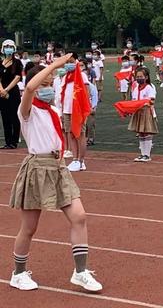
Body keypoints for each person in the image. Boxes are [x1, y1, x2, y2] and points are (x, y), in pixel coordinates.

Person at [9, 54, 102, 292]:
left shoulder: (52, 108)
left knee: (79, 217)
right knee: (29, 227)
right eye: (45, 85)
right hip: (37, 168)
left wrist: (57, 73)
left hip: (58, 167)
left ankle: (80, 272)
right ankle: (18, 273)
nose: (48, 88)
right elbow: (29, 86)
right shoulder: (26, 110)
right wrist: (54, 65)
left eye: (50, 84)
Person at [60, 53, 89, 172]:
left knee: (80, 135)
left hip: (78, 110)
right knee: (71, 134)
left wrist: (86, 108)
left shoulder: (81, 75)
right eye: (67, 62)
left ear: (76, 61)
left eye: (71, 62)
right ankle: (75, 159)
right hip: (67, 109)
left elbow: (85, 93)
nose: (68, 64)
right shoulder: (65, 77)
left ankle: (81, 161)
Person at [129, 67, 158, 162]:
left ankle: (147, 154)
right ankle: (142, 154)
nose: (139, 78)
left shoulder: (149, 87)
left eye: (141, 76)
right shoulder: (136, 88)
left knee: (146, 132)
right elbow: (133, 100)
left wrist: (143, 103)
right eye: (137, 76)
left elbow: (152, 101)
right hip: (138, 111)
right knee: (140, 132)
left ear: (146, 77)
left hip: (146, 111)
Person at [0, 40, 23, 149]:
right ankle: (7, 141)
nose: (8, 49)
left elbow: (17, 77)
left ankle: (14, 141)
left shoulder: (17, 62)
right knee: (5, 117)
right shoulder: (1, 63)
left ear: (13, 48)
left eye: (10, 47)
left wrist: (7, 90)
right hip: (1, 92)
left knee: (14, 116)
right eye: (6, 47)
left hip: (13, 91)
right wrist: (2, 90)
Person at [79, 59, 98, 147]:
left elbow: (94, 96)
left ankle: (91, 138)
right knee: (84, 124)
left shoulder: (91, 86)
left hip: (90, 106)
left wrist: (93, 107)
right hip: (81, 107)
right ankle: (84, 138)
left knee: (90, 124)